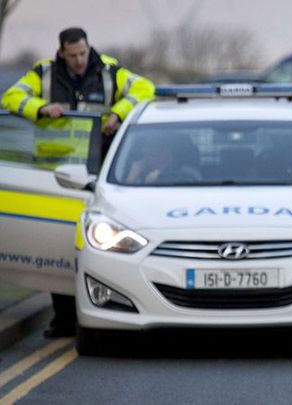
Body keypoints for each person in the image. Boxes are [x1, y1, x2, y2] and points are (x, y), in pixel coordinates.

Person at [1, 27, 155, 338]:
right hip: (55, 174)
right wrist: (40, 109)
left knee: (96, 244)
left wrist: (118, 113)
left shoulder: (109, 70)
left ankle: (94, 310)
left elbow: (145, 89)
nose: (79, 60)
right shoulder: (44, 73)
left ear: (88, 47)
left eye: (83, 53)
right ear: (62, 53)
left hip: (97, 172)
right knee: (58, 245)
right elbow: (12, 97)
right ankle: (64, 319)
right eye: (72, 56)